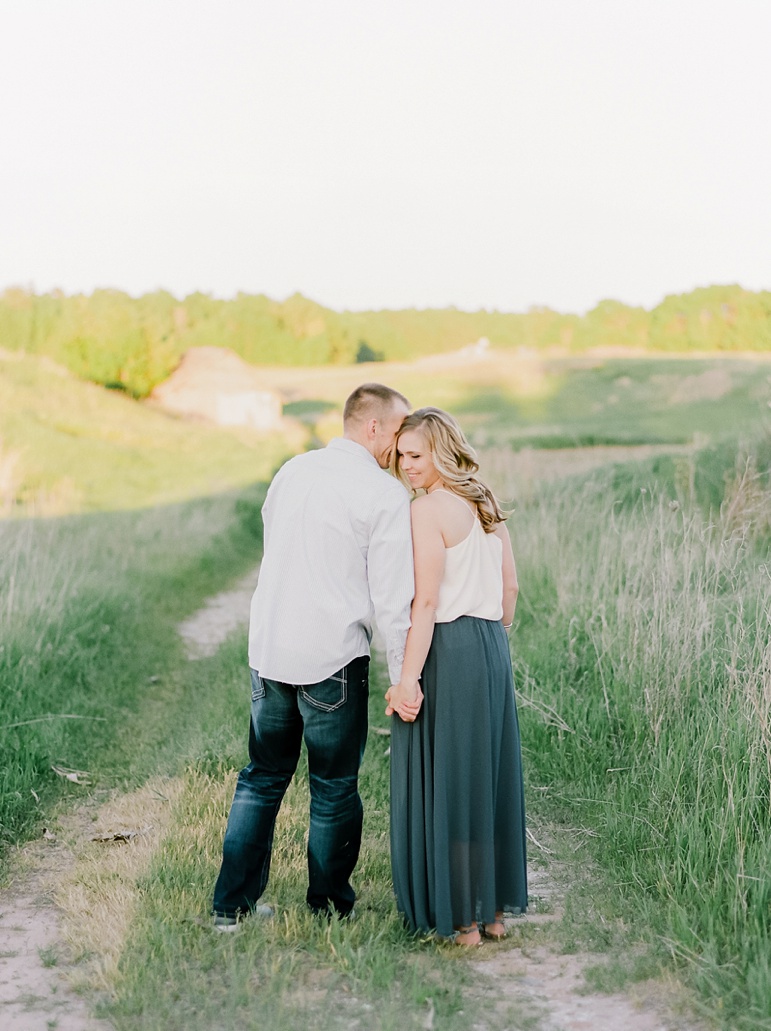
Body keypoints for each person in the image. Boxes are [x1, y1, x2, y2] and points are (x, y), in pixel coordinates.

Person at [212, 383, 418, 930]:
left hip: (270, 648)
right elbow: (394, 602)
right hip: (332, 656)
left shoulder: (291, 471)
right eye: (398, 433)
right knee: (332, 786)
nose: (399, 448)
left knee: (261, 777)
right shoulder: (384, 494)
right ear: (373, 427)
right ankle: (327, 910)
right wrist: (403, 680)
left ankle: (230, 908)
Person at [386, 407, 527, 945]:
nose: (407, 466)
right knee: (484, 778)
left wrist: (407, 678)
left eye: (416, 455)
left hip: (449, 648)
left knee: (453, 782)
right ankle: (491, 913)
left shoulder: (429, 511)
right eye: (401, 456)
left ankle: (463, 921)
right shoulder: (483, 501)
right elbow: (510, 593)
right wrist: (488, 627)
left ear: (441, 452)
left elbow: (426, 602)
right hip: (492, 645)